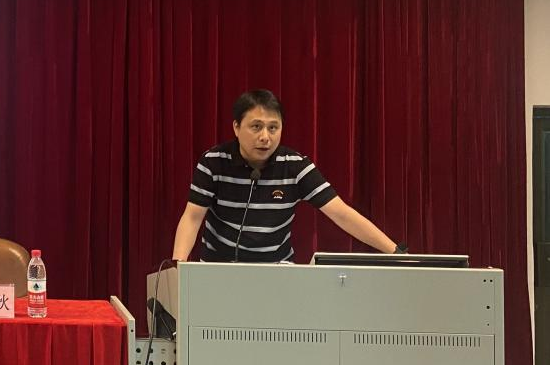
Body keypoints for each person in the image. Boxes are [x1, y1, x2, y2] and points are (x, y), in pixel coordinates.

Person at [171, 89, 402, 263]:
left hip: (276, 271)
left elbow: (342, 214)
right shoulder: (213, 161)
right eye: (256, 127)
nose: (265, 137)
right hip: (218, 268)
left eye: (273, 128)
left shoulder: (295, 166)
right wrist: (178, 269)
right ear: (236, 127)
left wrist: (398, 254)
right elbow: (192, 217)